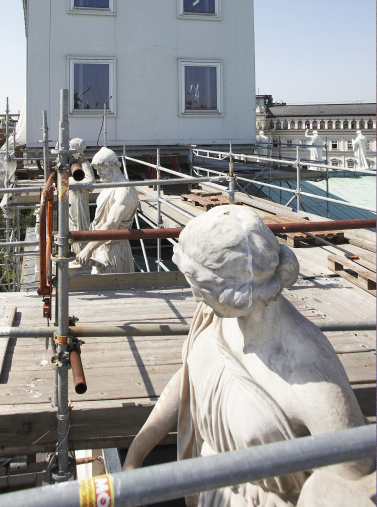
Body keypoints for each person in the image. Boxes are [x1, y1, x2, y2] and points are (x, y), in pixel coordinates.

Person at [123, 205, 373, 506]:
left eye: (201, 287)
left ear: (236, 294)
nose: (194, 296)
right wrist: (136, 454)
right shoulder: (217, 316)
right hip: (209, 492)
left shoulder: (311, 381)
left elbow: (350, 484)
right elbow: (192, 376)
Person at [76, 147, 138, 274]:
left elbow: (111, 224)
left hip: (113, 250)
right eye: (96, 170)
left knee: (112, 288)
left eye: (101, 169)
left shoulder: (124, 191)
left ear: (112, 166)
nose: (98, 173)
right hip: (101, 246)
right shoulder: (109, 186)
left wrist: (88, 249)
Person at [68, 138, 95, 274]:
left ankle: (80, 256)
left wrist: (83, 161)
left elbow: (89, 182)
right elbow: (90, 181)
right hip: (74, 200)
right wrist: (83, 162)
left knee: (78, 225)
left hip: (77, 199)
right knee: (76, 225)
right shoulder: (72, 162)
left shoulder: (77, 161)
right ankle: (78, 255)